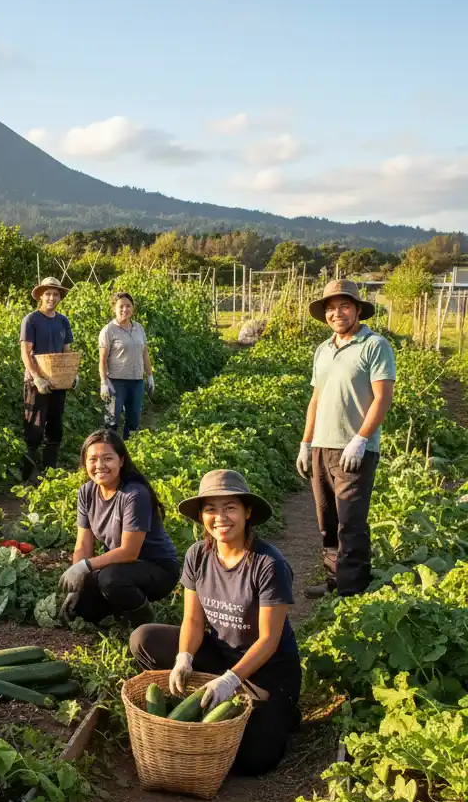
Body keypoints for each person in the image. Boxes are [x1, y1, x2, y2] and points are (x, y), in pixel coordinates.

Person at [129, 469, 302, 776]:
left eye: (230, 508)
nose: (220, 517)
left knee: (254, 761)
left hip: (267, 670)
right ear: (201, 516)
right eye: (210, 509)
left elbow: (269, 640)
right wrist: (184, 658)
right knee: (144, 639)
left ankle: (282, 711)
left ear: (247, 512)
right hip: (220, 655)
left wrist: (230, 681)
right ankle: (210, 695)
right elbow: (193, 620)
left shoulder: (268, 564)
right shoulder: (198, 555)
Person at [296, 279, 396, 598]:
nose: (336, 313)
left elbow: (382, 398)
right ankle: (333, 582)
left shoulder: (375, 346)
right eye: (330, 308)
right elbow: (316, 399)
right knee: (328, 520)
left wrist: (361, 438)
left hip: (355, 449)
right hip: (322, 447)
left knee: (350, 522)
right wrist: (306, 442)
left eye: (344, 306)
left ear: (357, 311)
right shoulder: (323, 350)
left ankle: (352, 591)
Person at [57, 430, 180, 628]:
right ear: (84, 462)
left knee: (110, 579)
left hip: (158, 569)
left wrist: (83, 567)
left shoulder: (134, 494)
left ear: (121, 461)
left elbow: (129, 552)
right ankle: (119, 611)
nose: (99, 466)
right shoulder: (87, 492)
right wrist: (77, 585)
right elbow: (83, 544)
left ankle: (144, 622)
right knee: (83, 608)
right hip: (120, 567)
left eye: (107, 458)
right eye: (93, 459)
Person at [20, 276, 75, 481]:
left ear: (60, 297)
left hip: (57, 382)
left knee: (55, 427)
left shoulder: (63, 321)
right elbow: (26, 352)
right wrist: (36, 377)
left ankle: (50, 472)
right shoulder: (31, 320)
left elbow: (66, 351)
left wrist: (71, 375)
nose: (52, 297)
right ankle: (28, 476)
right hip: (36, 383)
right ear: (41, 296)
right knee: (34, 428)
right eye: (48, 294)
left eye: (56, 294)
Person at [99, 292, 155, 438]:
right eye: (121, 306)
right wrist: (103, 383)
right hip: (116, 382)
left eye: (128, 306)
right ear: (114, 308)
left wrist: (149, 376)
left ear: (133, 308)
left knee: (134, 420)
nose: (125, 309)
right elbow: (103, 360)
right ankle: (110, 452)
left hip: (136, 381)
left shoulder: (139, 328)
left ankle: (129, 451)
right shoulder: (108, 330)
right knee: (112, 421)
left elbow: (145, 353)